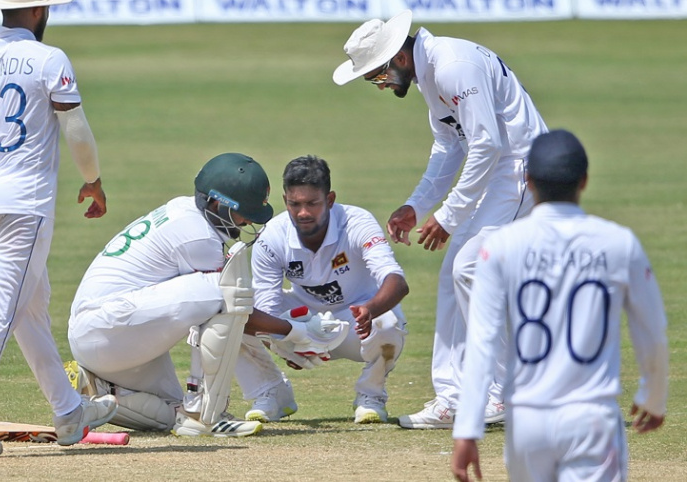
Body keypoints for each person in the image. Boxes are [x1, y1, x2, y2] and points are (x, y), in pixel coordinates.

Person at [333, 9, 549, 428]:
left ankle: (503, 396)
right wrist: (416, 205)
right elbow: (450, 147)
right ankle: (452, 398)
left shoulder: (452, 66)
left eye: (376, 76)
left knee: (470, 267)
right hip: (498, 169)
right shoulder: (429, 75)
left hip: (522, 167)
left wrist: (447, 217)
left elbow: (486, 143)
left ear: (397, 58)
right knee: (457, 272)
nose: (378, 85)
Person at [0, 0, 117, 458]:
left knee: (28, 309)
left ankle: (69, 412)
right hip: (25, 204)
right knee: (1, 312)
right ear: (36, 11)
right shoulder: (50, 59)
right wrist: (93, 181)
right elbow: (76, 128)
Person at [65, 153, 347, 437]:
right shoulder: (198, 236)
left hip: (107, 334)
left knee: (177, 418)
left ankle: (96, 389)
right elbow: (230, 305)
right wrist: (292, 331)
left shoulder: (185, 210)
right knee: (223, 289)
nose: (247, 219)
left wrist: (283, 333)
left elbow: (236, 313)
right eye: (243, 211)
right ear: (218, 204)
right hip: (107, 328)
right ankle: (208, 410)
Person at [450, 130, 669, 482]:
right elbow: (653, 331)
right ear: (583, 181)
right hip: (591, 418)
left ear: (528, 181)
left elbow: (482, 342)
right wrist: (654, 397)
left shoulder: (500, 246)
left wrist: (468, 428)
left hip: (526, 421)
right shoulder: (618, 243)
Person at [235, 155, 409, 424]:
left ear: (330, 200)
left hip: (356, 322)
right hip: (302, 324)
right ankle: (271, 392)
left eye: (312, 203)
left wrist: (369, 310)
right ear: (285, 202)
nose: (303, 213)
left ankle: (371, 397)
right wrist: (283, 343)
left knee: (389, 322)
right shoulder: (271, 236)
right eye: (295, 204)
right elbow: (267, 306)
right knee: (234, 311)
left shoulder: (357, 222)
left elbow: (396, 280)